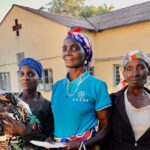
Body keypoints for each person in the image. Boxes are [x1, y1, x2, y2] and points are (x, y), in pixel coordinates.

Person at [51, 28, 111, 150]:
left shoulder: (97, 85)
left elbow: (105, 127)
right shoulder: (57, 86)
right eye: (64, 49)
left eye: (74, 48)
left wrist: (83, 145)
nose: (67, 53)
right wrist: (50, 139)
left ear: (86, 53)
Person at [101, 50, 150, 150]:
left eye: (140, 67)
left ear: (148, 71)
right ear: (123, 74)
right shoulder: (112, 100)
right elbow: (103, 133)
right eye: (129, 69)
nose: (135, 74)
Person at [18, 57, 54, 141]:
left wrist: (23, 132)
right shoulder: (11, 102)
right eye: (22, 74)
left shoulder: (47, 106)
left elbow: (49, 137)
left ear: (39, 77)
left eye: (30, 74)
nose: (25, 78)